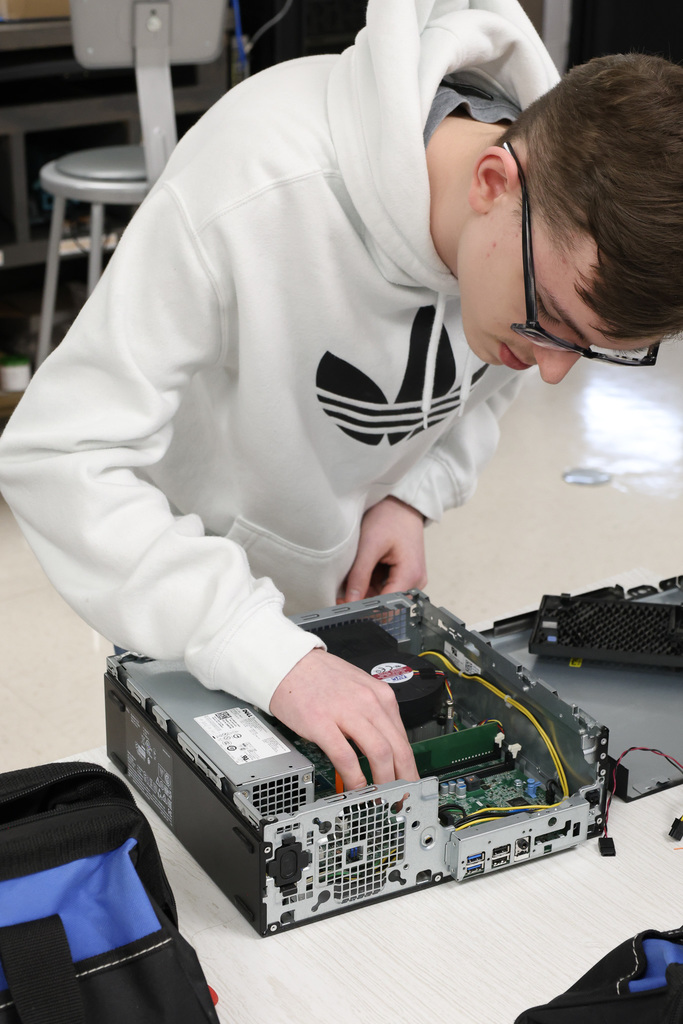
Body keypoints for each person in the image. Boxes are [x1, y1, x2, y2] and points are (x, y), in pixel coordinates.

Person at [0, 1, 680, 792]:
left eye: (590, 346)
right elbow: (59, 452)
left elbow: (491, 381)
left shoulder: (533, 243)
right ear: (494, 182)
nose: (552, 371)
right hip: (178, 599)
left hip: (336, 615)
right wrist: (253, 644)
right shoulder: (256, 181)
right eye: (553, 321)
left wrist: (412, 497)